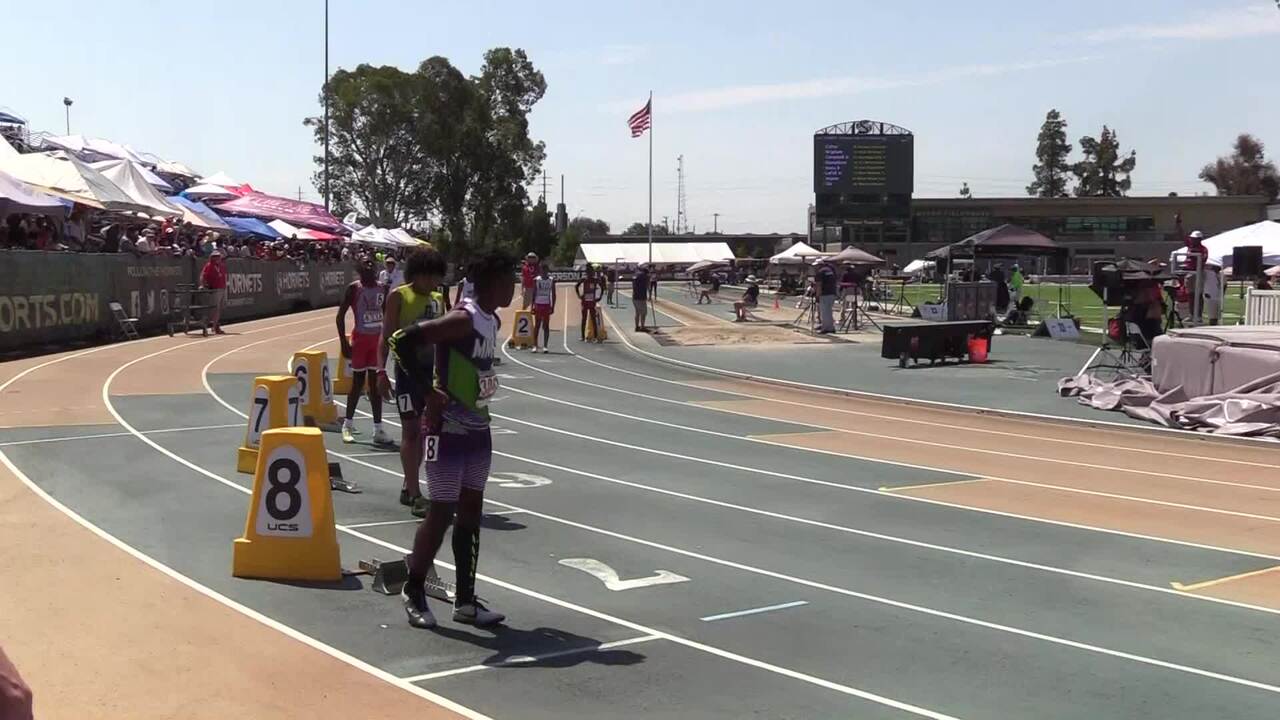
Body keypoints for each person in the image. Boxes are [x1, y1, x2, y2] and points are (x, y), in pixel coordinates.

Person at [391, 246, 516, 629]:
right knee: (442, 512)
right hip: (446, 430)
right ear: (493, 282)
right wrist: (427, 393)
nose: (514, 289)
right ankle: (414, 589)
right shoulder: (463, 318)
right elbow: (401, 340)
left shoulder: (490, 320)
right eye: (510, 281)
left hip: (478, 428)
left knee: (472, 511)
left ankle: (465, 600)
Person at [379, 247, 448, 518]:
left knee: (424, 433)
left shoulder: (438, 299)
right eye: (431, 277)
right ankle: (417, 495)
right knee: (410, 431)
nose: (435, 283)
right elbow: (385, 336)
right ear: (418, 274)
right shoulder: (399, 296)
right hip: (408, 374)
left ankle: (409, 486)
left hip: (432, 374)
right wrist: (380, 372)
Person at [337, 258, 392, 445]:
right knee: (357, 384)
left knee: (376, 386)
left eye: (372, 264)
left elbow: (387, 315)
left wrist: (387, 339)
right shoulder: (354, 288)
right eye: (365, 265)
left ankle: (378, 429)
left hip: (376, 341)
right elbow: (340, 315)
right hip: (360, 340)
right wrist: (344, 343)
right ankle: (347, 425)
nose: (370, 267)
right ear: (359, 269)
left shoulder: (382, 288)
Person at [199, 249, 228, 334]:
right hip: (215, 289)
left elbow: (223, 276)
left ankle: (215, 325)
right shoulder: (209, 266)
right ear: (212, 258)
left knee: (219, 308)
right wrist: (203, 285)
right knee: (215, 308)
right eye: (215, 257)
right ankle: (213, 326)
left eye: (218, 257)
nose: (217, 258)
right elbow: (203, 276)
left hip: (222, 288)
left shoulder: (222, 266)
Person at [574, 265, 604, 342]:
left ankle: (596, 337)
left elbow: (602, 287)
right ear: (587, 272)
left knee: (593, 318)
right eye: (589, 272)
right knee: (584, 318)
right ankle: (582, 336)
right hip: (585, 301)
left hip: (592, 301)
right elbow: (576, 286)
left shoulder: (595, 280)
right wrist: (579, 295)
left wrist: (600, 296)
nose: (591, 274)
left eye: (591, 272)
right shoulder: (584, 279)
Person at [531, 262, 556, 352]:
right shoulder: (536, 280)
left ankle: (545, 346)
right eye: (542, 270)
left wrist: (553, 307)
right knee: (537, 325)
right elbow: (534, 294)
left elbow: (553, 294)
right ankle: (535, 345)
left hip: (547, 304)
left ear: (547, 270)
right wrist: (532, 306)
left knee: (546, 326)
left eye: (545, 270)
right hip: (538, 304)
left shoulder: (551, 280)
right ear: (540, 270)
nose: (544, 272)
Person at [815, 259, 838, 333]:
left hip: (825, 293)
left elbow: (819, 285)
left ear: (819, 265)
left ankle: (825, 328)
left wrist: (817, 296)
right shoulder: (830, 270)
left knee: (824, 311)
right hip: (832, 292)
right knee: (829, 311)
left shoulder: (820, 272)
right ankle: (831, 327)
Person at [632, 263, 650, 331]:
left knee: (637, 312)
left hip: (635, 296)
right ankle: (642, 327)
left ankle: (637, 327)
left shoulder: (636, 275)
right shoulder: (644, 276)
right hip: (641, 297)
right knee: (644, 313)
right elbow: (648, 285)